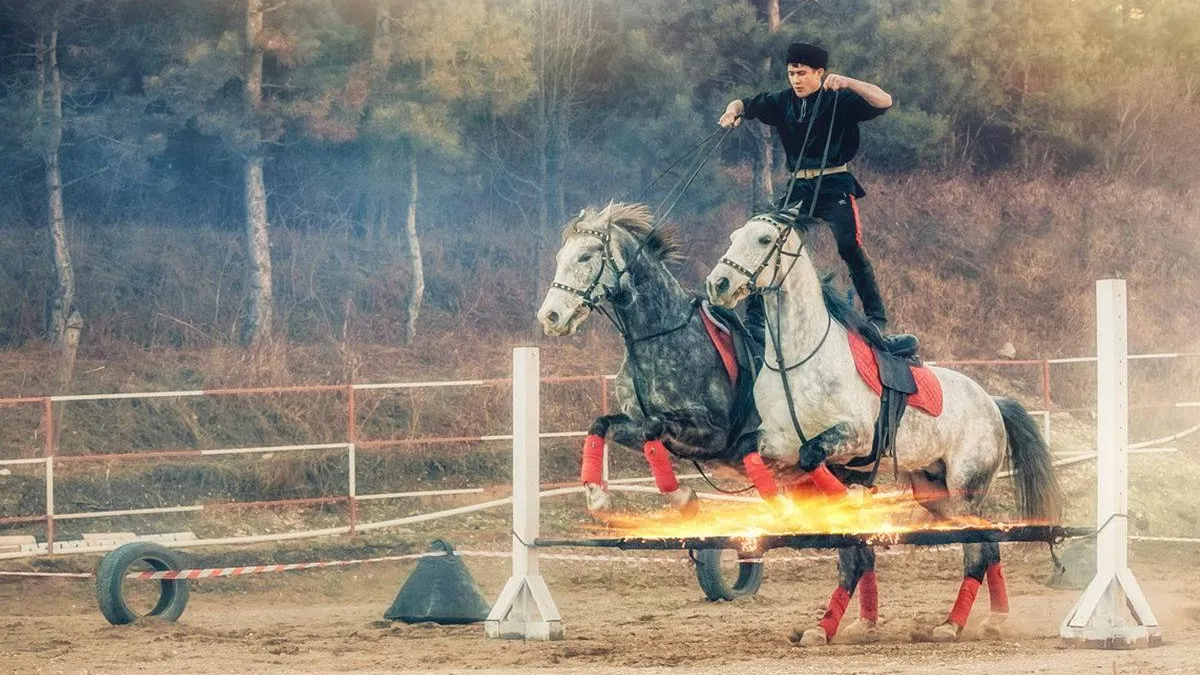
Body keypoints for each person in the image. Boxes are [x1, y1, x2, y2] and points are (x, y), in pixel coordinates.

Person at [719, 42, 915, 355]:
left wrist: (849, 81)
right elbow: (742, 103)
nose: (795, 79)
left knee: (849, 246)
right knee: (768, 239)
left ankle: (877, 318)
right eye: (791, 73)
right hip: (799, 186)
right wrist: (731, 112)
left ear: (819, 73)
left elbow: (884, 100)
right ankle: (756, 317)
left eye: (802, 73)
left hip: (834, 182)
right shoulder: (782, 101)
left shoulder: (840, 97)